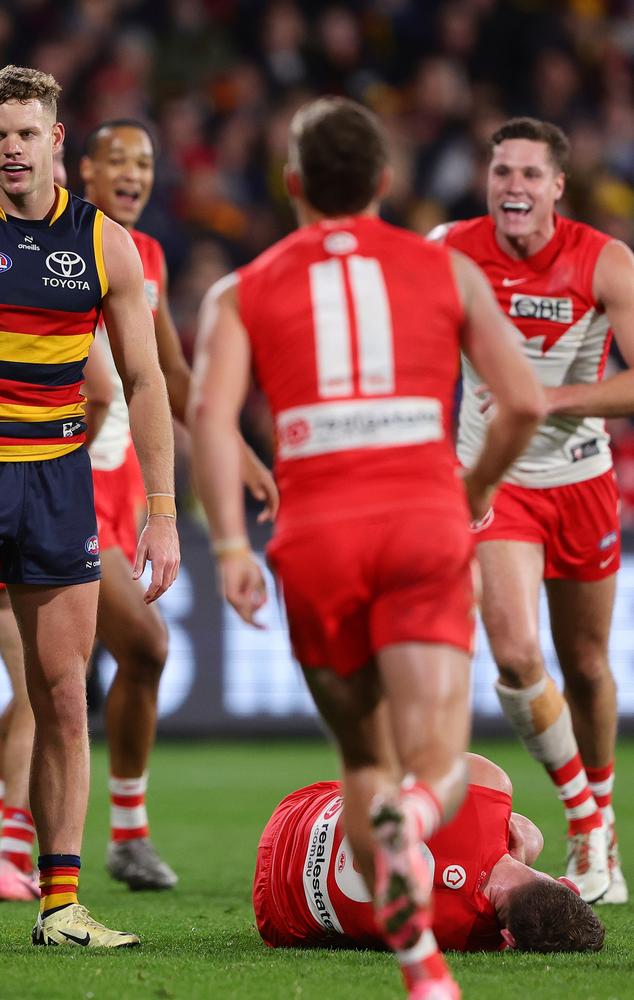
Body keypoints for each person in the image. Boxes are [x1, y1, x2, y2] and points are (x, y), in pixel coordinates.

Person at [189, 96, 544, 1000]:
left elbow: (208, 414)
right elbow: (526, 404)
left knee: (361, 754)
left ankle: (422, 964)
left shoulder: (245, 287)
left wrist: (231, 543)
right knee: (435, 761)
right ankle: (413, 818)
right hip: (422, 524)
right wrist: (472, 489)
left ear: (294, 184)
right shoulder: (447, 272)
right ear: (386, 182)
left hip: (313, 538)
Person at [0, 64, 179, 947]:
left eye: (25, 133)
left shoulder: (104, 245)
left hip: (59, 484)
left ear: (57, 140)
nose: (9, 149)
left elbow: (143, 380)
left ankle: (60, 906)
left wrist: (163, 510)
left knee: (64, 697)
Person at [435, 117, 634, 905]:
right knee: (516, 654)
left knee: (585, 666)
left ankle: (601, 822)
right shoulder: (448, 246)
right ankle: (587, 824)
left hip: (581, 478)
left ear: (558, 187)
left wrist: (551, 399)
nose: (512, 187)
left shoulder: (604, 260)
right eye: (502, 172)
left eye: (529, 175)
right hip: (494, 480)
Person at [79, 119, 278, 890]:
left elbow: (172, 375)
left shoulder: (148, 256)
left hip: (125, 494)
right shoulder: (62, 242)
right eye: (118, 160)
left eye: (146, 162)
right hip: (63, 485)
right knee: (135, 652)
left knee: (66, 679)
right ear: (83, 170)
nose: (134, 173)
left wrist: (234, 447)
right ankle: (107, 835)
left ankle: (45, 837)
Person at [253, 753, 605, 954]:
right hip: (277, 911)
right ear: (509, 938)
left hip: (298, 815)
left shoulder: (490, 784)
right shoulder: (470, 939)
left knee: (527, 832)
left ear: (567, 884)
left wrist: (509, 838)